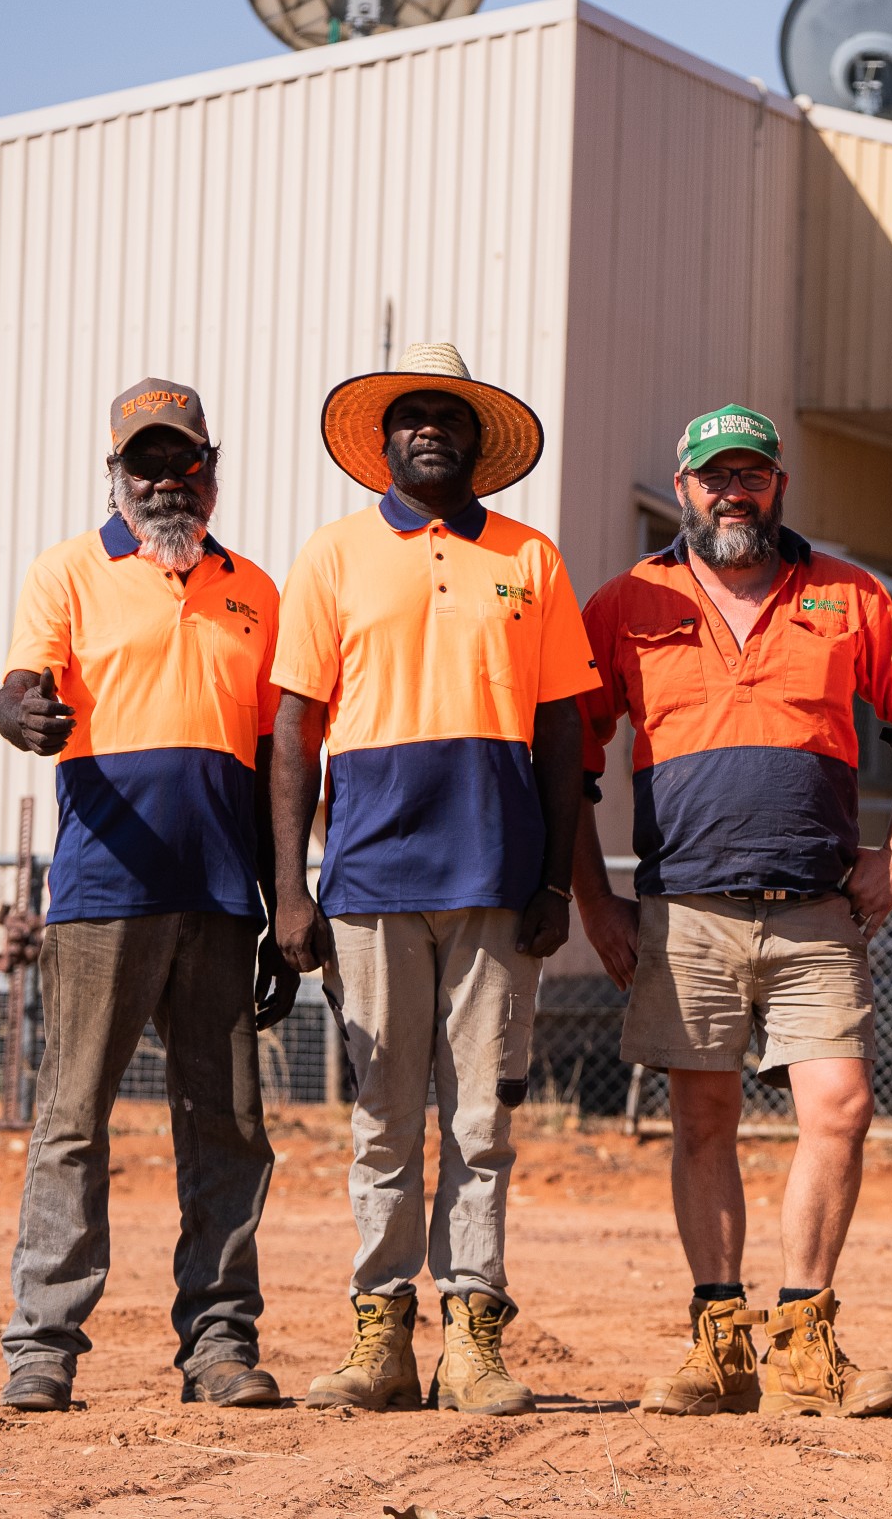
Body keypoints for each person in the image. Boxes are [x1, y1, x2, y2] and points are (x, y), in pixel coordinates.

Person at [574, 404, 892, 1419]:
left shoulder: (847, 595)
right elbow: (562, 760)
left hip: (815, 906)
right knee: (703, 1118)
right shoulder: (626, 602)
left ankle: (806, 1335)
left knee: (840, 1107)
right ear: (684, 486)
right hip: (683, 908)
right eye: (713, 476)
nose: (732, 491)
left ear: (777, 484)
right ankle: (717, 1343)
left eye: (751, 474)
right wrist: (593, 904)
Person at [271, 343, 597, 1416]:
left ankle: (474, 1336)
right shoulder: (331, 556)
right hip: (366, 879)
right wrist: (291, 886)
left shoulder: (531, 559)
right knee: (380, 1110)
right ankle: (382, 1336)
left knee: (482, 1122)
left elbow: (562, 738)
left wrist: (553, 878)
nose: (430, 431)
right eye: (410, 416)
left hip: (498, 879)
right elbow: (293, 732)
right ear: (384, 438)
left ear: (476, 442)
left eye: (448, 418)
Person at [0, 379, 293, 1413]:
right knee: (74, 1118)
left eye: (185, 461)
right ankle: (42, 1344)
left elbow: (269, 760)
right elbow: (24, 685)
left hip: (220, 898)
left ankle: (220, 1342)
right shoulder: (68, 571)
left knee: (227, 1127)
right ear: (114, 472)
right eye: (146, 462)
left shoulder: (257, 589)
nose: (167, 480)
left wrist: (281, 902)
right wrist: (17, 711)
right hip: (102, 893)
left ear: (213, 466)